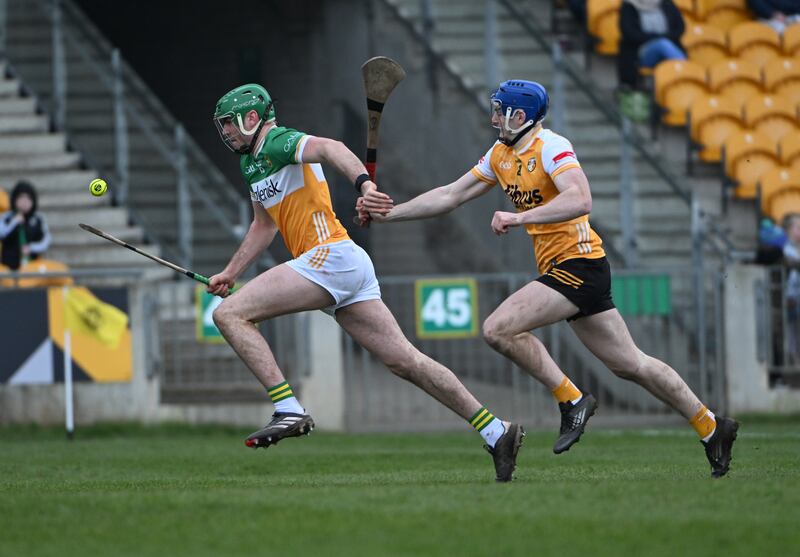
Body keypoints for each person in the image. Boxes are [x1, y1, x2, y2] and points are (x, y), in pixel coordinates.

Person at [358, 79, 739, 478]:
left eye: (498, 110)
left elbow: (581, 199)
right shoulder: (501, 154)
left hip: (579, 265)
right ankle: (712, 427)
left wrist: (518, 218)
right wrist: (391, 214)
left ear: (519, 116)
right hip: (570, 269)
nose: (492, 118)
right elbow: (450, 194)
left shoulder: (551, 147)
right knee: (632, 365)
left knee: (498, 329)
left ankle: (572, 399)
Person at [207, 84, 524, 482]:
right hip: (340, 263)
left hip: (329, 258)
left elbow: (332, 147)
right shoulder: (251, 163)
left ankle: (288, 408)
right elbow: (263, 225)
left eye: (228, 125)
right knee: (405, 362)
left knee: (231, 314)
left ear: (251, 118)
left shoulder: (278, 141)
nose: (226, 133)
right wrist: (231, 273)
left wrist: (365, 185)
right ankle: (497, 431)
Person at [618, 0, 686, 90]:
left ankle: (684, 79)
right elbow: (630, 33)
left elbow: (680, 28)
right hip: (640, 52)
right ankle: (686, 73)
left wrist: (664, 37)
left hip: (667, 48)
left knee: (664, 44)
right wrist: (658, 37)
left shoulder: (666, 3)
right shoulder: (629, 6)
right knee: (662, 44)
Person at [0, 180, 52, 270]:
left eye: (28, 198)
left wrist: (31, 248)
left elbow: (46, 240)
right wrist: (13, 223)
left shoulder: (38, 218)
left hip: (31, 268)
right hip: (8, 267)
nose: (24, 202)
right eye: (21, 198)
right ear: (15, 199)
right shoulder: (6, 217)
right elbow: (1, 233)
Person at [782, 213, 800, 364]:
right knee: (791, 331)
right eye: (797, 228)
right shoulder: (785, 249)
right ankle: (793, 358)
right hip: (791, 296)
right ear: (788, 230)